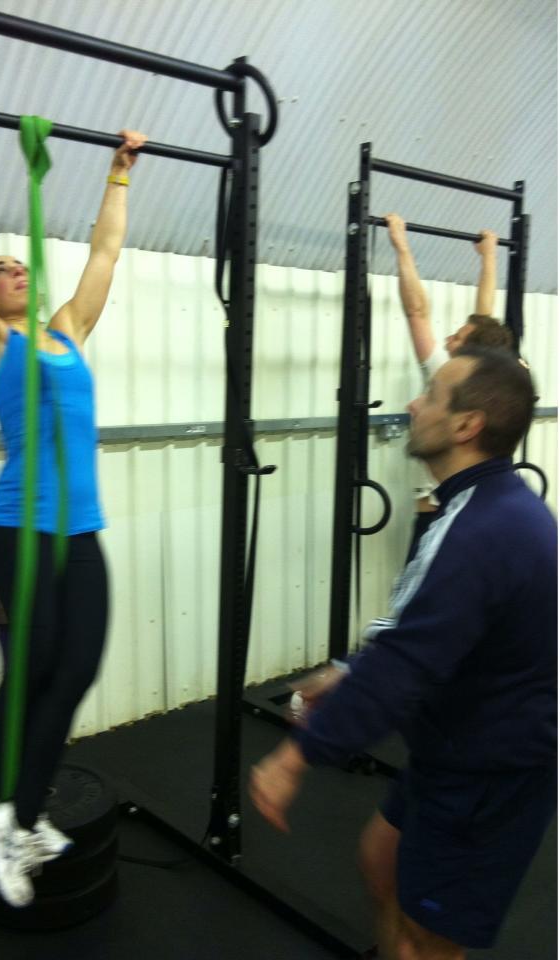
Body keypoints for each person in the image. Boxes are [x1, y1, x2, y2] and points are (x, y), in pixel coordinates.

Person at [250, 346, 557, 960]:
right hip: (455, 741)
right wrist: (347, 672)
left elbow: (405, 669)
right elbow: (424, 630)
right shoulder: (476, 506)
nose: (414, 405)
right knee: (380, 857)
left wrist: (295, 758)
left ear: (466, 425)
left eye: (431, 395)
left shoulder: (483, 531)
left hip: (491, 769)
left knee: (429, 940)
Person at [0, 96, 147, 908]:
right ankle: (13, 816)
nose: (13, 271)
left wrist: (119, 173)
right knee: (29, 670)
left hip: (79, 534)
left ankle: (14, 819)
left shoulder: (65, 332)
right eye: (3, 269)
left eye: (20, 266)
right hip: (12, 534)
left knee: (77, 671)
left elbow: (106, 251)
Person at [385, 213, 515, 560]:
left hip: (439, 514)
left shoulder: (446, 372)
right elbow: (484, 318)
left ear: (471, 349)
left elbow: (416, 311)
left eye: (456, 338)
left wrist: (400, 244)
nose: (447, 340)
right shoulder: (497, 377)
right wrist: (489, 257)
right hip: (480, 508)